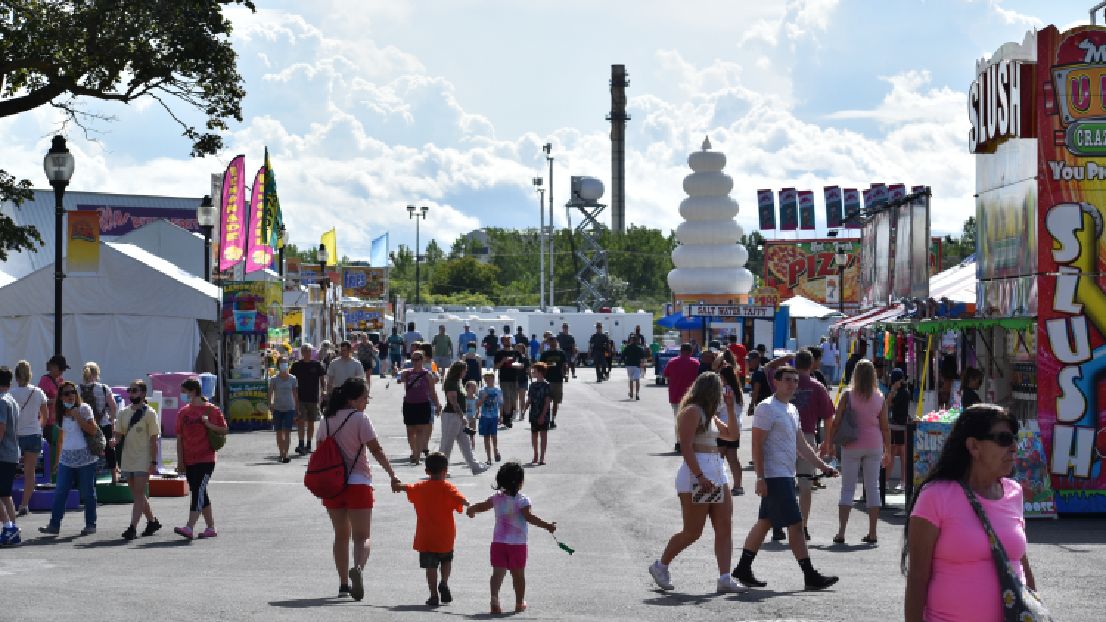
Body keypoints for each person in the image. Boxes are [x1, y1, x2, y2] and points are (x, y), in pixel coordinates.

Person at [903, 404, 1035, 622]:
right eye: (1003, 439)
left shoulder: (1014, 493)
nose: (1013, 447)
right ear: (974, 446)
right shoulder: (936, 496)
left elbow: (1019, 564)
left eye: (1014, 438)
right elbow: (917, 579)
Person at [731, 366, 839, 591]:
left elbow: (802, 444)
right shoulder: (766, 408)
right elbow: (756, 444)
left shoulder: (791, 409)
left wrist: (823, 467)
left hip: (786, 474)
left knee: (765, 523)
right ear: (776, 382)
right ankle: (810, 576)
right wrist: (760, 477)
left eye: (795, 381)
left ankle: (743, 568)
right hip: (774, 475)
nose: (792, 384)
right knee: (796, 525)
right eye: (787, 380)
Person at [648, 372, 746, 594]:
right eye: (721, 389)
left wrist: (730, 408)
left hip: (717, 474)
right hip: (697, 475)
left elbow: (732, 436)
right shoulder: (692, 411)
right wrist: (700, 477)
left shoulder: (710, 415)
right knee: (693, 531)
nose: (723, 393)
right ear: (710, 389)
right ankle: (660, 565)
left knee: (724, 527)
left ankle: (724, 577)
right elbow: (686, 447)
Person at [316, 377, 403, 600]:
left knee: (340, 535)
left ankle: (343, 584)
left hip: (333, 486)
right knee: (362, 536)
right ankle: (359, 569)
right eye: (365, 397)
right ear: (353, 399)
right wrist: (392, 475)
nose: (367, 402)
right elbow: (376, 449)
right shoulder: (360, 419)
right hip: (359, 483)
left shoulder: (326, 420)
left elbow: (319, 451)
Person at [466, 461, 557, 614]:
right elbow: (529, 517)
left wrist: (472, 509)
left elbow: (482, 506)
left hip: (499, 543)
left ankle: (494, 599)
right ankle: (519, 602)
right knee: (518, 575)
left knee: (497, 574)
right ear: (520, 482)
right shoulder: (523, 500)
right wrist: (548, 525)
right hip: (518, 544)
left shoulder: (496, 498)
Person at [765, 350, 835, 540]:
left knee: (780, 483)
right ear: (812, 364)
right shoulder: (818, 386)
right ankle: (802, 526)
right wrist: (827, 441)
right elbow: (829, 417)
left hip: (781, 436)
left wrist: (786, 358)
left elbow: (768, 368)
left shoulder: (783, 380)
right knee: (805, 485)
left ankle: (777, 525)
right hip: (807, 436)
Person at [830, 359, 891, 545]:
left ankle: (841, 532)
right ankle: (872, 532)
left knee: (848, 488)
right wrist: (887, 450)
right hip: (874, 444)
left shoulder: (848, 395)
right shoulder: (879, 397)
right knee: (873, 487)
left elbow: (837, 420)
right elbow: (885, 427)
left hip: (851, 444)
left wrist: (831, 442)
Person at [399, 451, 470, 607]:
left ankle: (433, 595)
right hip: (445, 536)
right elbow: (461, 500)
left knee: (430, 567)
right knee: (446, 560)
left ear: (427, 472)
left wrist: (398, 485)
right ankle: (444, 582)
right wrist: (470, 506)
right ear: (445, 470)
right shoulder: (448, 488)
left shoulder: (420, 487)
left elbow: (408, 487)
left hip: (426, 537)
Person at [38, 381, 99, 536]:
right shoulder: (60, 414)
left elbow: (92, 430)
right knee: (60, 491)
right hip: (66, 459)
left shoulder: (84, 408)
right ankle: (54, 525)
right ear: (61, 397)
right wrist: (57, 461)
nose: (70, 395)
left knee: (88, 492)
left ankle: (90, 524)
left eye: (73, 392)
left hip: (86, 458)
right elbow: (60, 438)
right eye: (66, 393)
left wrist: (77, 415)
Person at [173, 379, 228, 540]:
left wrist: (208, 424)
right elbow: (179, 438)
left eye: (184, 392)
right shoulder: (183, 412)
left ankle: (189, 527)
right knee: (200, 491)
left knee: (198, 490)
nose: (183, 395)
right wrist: (180, 461)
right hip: (189, 458)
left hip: (206, 458)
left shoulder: (212, 410)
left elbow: (224, 430)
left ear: (193, 391)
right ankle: (211, 527)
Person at [114, 380, 162, 540]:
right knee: (137, 494)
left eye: (134, 390)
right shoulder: (123, 413)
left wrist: (153, 462)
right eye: (130, 390)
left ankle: (132, 527)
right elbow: (118, 434)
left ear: (142, 393)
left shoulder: (149, 413)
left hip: (143, 459)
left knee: (139, 493)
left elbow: (154, 439)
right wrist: (114, 441)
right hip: (128, 458)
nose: (131, 393)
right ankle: (152, 521)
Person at [10, 361, 47, 516]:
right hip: (34, 434)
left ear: (16, 376)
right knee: (30, 473)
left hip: (15, 436)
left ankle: (7, 503)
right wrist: (39, 427)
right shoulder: (38, 392)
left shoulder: (11, 393)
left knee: (9, 471)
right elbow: (45, 415)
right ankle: (24, 505)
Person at [438, 362, 488, 476]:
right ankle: (440, 469)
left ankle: (475, 466)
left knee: (465, 442)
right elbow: (453, 402)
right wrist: (462, 416)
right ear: (459, 370)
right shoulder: (451, 383)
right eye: (464, 370)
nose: (466, 373)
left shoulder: (458, 382)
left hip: (457, 416)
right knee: (447, 444)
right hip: (451, 416)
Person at [78, 362, 118, 483]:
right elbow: (113, 407)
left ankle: (88, 479)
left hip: (87, 424)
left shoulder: (78, 389)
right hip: (104, 423)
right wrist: (112, 421)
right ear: (97, 373)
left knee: (88, 451)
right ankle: (114, 477)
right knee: (109, 450)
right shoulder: (104, 388)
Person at [399, 351, 439, 465]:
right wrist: (398, 372)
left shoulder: (427, 374)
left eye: (418, 359)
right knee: (410, 431)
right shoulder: (407, 373)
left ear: (422, 360)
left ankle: (417, 456)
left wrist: (437, 405)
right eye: (413, 360)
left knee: (420, 430)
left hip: (423, 404)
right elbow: (399, 378)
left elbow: (432, 392)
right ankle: (414, 451)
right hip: (409, 404)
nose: (415, 362)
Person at [716, 353, 745, 496]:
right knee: (733, 458)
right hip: (736, 427)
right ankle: (738, 486)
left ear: (724, 378)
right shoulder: (738, 391)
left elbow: (717, 410)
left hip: (723, 426)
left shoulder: (724, 391)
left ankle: (718, 484)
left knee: (718, 457)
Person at [663, 344, 700, 452]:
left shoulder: (672, 362)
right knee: (692, 420)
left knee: (678, 420)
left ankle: (679, 443)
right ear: (691, 351)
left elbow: (666, 375)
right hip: (691, 396)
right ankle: (690, 441)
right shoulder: (696, 363)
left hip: (675, 395)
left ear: (680, 351)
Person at [290, 344, 326, 455]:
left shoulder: (317, 365)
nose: (307, 352)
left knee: (311, 422)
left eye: (309, 350)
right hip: (300, 398)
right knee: (301, 421)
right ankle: (301, 444)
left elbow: (322, 380)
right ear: (302, 352)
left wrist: (323, 392)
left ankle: (309, 444)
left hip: (313, 398)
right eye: (305, 350)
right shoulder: (296, 365)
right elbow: (291, 380)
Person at [0, 368, 21, 545]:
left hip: (2, 452)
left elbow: (1, 428)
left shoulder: (1, 401)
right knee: (5, 494)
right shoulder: (12, 400)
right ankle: (12, 528)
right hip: (12, 452)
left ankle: (8, 527)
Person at [37, 354, 68, 472]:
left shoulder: (60, 381)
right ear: (53, 367)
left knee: (59, 447)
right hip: (48, 422)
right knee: (49, 448)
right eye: (60, 369)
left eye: (63, 370)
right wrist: (53, 401)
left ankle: (56, 471)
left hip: (59, 421)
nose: (62, 372)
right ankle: (47, 473)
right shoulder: (45, 380)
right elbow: (39, 400)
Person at [269, 356, 300, 463]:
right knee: (279, 432)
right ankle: (281, 452)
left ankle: (286, 454)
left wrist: (297, 409)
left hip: (289, 408)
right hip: (277, 408)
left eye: (285, 363)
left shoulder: (293, 378)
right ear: (278, 365)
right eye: (282, 363)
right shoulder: (274, 379)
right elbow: (270, 393)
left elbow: (295, 395)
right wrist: (271, 403)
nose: (284, 364)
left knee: (287, 432)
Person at [522, 362, 552, 465]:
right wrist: (524, 409)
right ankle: (535, 455)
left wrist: (543, 415)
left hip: (543, 413)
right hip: (534, 413)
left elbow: (547, 401)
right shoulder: (532, 385)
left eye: (534, 371)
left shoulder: (547, 385)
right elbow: (529, 399)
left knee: (543, 434)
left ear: (540, 372)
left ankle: (542, 457)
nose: (532, 372)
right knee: (534, 434)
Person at [537, 336, 567, 429]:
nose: (552, 343)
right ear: (548, 343)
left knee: (556, 402)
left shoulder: (561, 353)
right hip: (547, 380)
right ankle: (545, 418)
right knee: (546, 401)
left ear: (556, 342)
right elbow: (540, 367)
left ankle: (552, 419)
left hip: (558, 380)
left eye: (554, 341)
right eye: (550, 341)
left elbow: (564, 364)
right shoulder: (545, 354)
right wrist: (547, 366)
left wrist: (565, 374)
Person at [888, 369, 910, 492]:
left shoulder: (901, 393)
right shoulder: (904, 392)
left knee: (897, 451)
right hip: (901, 425)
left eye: (895, 381)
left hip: (898, 425)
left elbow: (889, 404)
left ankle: (893, 480)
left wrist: (892, 392)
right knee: (901, 453)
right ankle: (903, 481)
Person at [477, 372, 503, 464]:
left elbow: (500, 403)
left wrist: (501, 415)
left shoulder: (497, 390)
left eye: (488, 379)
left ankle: (495, 450)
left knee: (494, 435)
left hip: (494, 416)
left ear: (493, 379)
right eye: (485, 379)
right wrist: (482, 399)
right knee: (486, 437)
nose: (487, 381)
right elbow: (478, 404)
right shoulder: (482, 390)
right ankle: (488, 457)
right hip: (484, 416)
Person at [494, 336, 519, 428]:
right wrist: (502, 361)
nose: (507, 341)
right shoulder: (499, 353)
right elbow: (496, 367)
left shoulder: (515, 352)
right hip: (504, 379)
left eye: (509, 340)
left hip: (514, 378)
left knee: (513, 399)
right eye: (505, 340)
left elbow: (520, 363)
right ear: (502, 342)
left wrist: (518, 365)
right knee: (506, 398)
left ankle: (508, 416)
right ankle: (507, 419)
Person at [622, 334, 648, 400]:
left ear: (631, 340)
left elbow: (623, 356)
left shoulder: (627, 347)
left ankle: (631, 394)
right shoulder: (639, 348)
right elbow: (643, 358)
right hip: (637, 365)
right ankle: (637, 394)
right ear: (636, 341)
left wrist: (624, 362)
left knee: (631, 380)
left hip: (629, 365)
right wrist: (644, 367)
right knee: (637, 380)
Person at [512, 342, 530, 421]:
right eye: (517, 348)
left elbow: (526, 368)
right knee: (515, 398)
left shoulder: (525, 358)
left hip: (523, 379)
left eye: (520, 348)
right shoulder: (513, 358)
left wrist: (531, 376)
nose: (518, 350)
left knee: (522, 398)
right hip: (514, 379)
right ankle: (515, 412)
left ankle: (522, 413)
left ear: (523, 350)